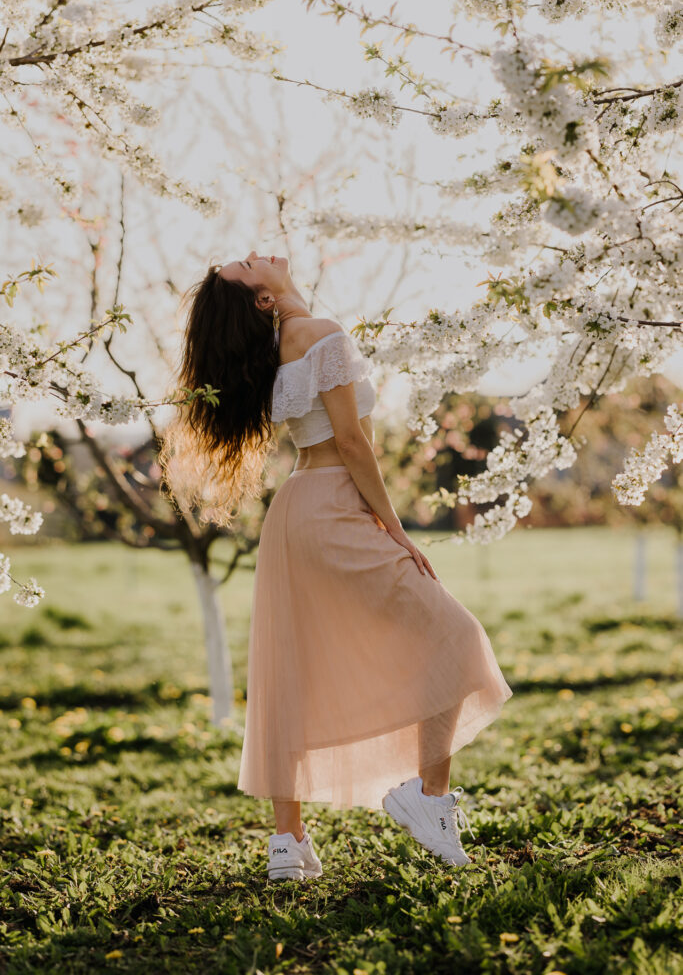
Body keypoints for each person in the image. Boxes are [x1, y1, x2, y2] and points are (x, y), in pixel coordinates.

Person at [160, 250, 513, 882]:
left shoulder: (279, 348)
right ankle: (428, 800)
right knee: (455, 635)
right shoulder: (318, 334)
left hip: (297, 511)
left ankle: (288, 844)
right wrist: (398, 530)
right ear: (262, 298)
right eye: (243, 267)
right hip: (334, 506)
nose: (251, 255)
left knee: (292, 669)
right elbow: (353, 443)